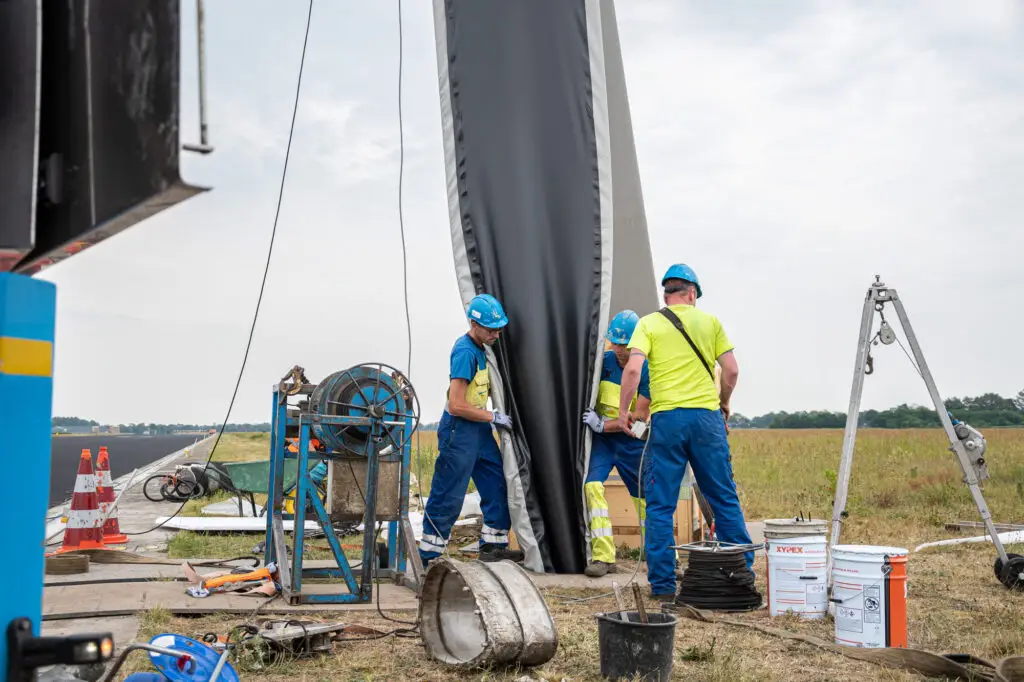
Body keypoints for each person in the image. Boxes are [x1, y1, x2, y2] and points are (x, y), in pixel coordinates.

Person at [617, 263, 753, 600]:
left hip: (667, 422)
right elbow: (732, 370)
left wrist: (624, 411)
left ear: (667, 294)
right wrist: (723, 401)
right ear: (692, 294)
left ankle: (662, 586)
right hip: (707, 420)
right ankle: (740, 575)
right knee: (723, 497)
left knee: (661, 505)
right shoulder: (710, 322)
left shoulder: (648, 324)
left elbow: (633, 369)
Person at [419, 293, 525, 567]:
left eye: (498, 329)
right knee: (449, 493)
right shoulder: (466, 352)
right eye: (491, 329)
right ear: (474, 324)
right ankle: (429, 556)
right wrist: (493, 416)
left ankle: (493, 548)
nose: (496, 334)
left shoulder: (482, 349)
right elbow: (456, 405)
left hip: (478, 432)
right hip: (459, 431)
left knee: (497, 486)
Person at [581, 310, 652, 577]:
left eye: (624, 344)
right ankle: (603, 557)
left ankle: (663, 556)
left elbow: (640, 419)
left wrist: (602, 424)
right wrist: (599, 428)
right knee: (592, 486)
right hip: (604, 444)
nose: (619, 350)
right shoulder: (604, 362)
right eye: (615, 343)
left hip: (632, 444)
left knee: (648, 499)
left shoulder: (647, 369)